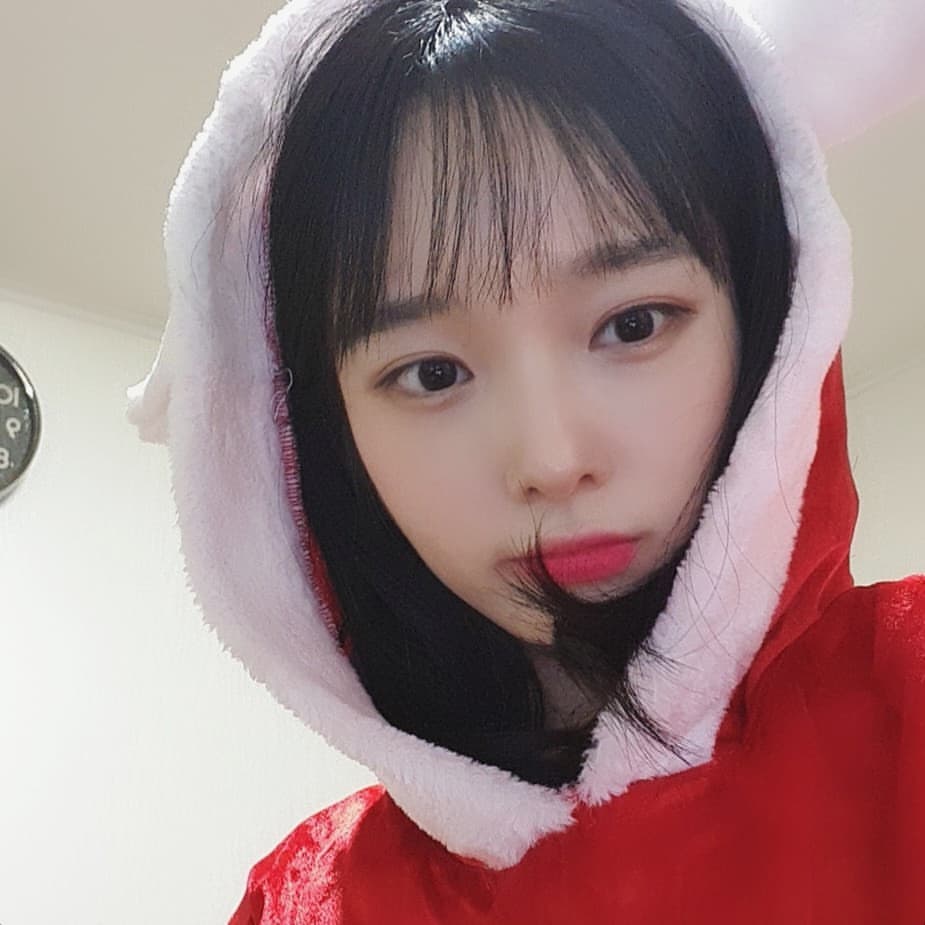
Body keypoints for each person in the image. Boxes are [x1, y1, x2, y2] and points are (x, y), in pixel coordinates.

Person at [127, 0, 925, 920]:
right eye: (431, 373)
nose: (550, 460)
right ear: (327, 436)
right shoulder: (308, 901)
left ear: (766, 319)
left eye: (633, 324)